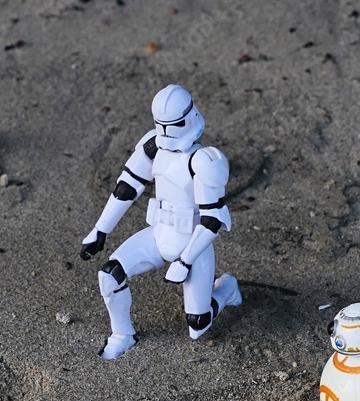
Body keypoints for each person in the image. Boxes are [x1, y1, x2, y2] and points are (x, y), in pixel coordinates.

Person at [80, 84, 242, 359]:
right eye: (161, 125)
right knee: (110, 275)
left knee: (198, 325)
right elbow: (127, 187)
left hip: (193, 244)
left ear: (190, 117)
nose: (167, 133)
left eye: (174, 124)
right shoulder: (152, 146)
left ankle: (226, 289)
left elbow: (212, 220)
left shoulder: (203, 160)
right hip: (158, 234)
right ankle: (122, 334)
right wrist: (100, 230)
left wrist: (185, 261)